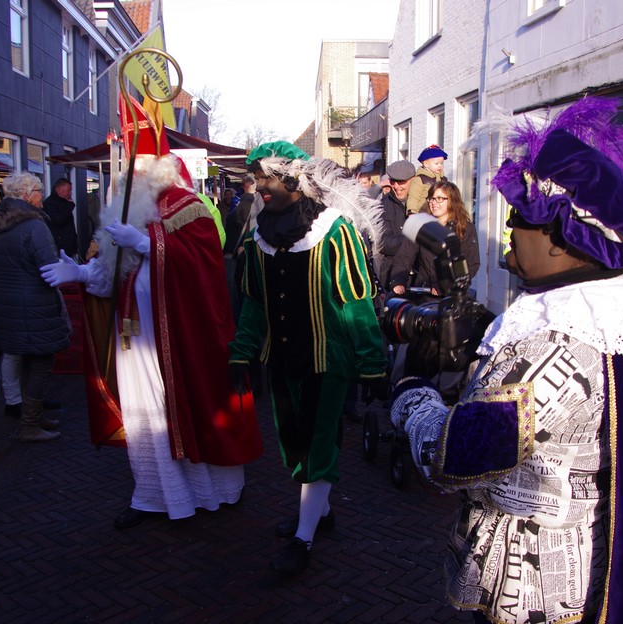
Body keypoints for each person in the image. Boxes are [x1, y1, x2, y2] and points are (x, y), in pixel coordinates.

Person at [391, 97, 623, 624]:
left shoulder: (560, 338)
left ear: (565, 240)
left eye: (520, 220)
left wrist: (412, 398)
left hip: (536, 589)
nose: (510, 231)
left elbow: (457, 456)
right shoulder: (605, 315)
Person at [40, 96, 262, 527]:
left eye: (138, 168)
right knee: (144, 415)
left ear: (158, 169)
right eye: (129, 169)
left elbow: (203, 266)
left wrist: (145, 242)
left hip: (178, 335)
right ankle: (152, 495)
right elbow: (113, 272)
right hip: (134, 336)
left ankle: (210, 492)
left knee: (187, 407)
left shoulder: (188, 207)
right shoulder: (128, 208)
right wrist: (82, 273)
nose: (130, 176)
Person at [228, 141, 387, 578]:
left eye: (267, 179)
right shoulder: (260, 236)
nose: (261, 188)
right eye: (257, 180)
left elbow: (355, 302)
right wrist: (242, 354)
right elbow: (255, 304)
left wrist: (372, 363)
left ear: (293, 179)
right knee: (295, 444)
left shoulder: (334, 231)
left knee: (318, 446)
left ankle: (303, 538)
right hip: (281, 359)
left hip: (326, 359)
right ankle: (321, 512)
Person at [0, 172, 70, 442]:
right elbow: (49, 267)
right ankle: (30, 423)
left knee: (25, 360)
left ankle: (32, 415)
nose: (41, 197)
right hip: (34, 303)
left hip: (7, 304)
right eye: (37, 191)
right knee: (41, 362)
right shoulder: (34, 226)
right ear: (26, 196)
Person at [389, 180, 480, 296]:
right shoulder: (421, 226)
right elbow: (404, 256)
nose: (434, 203)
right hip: (424, 292)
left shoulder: (466, 229)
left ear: (452, 200)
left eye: (440, 198)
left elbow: (472, 263)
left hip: (452, 296)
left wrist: (446, 285)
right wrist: (398, 281)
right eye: (432, 198)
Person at [370, 160, 416, 291]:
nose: (396, 186)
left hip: (420, 278)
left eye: (401, 182)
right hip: (391, 276)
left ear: (413, 180)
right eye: (392, 181)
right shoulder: (382, 206)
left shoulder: (427, 203)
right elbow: (382, 242)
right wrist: (411, 240)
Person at [406, 144, 448, 215]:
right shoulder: (420, 179)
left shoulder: (443, 179)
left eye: (441, 163)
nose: (440, 166)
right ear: (426, 164)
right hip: (423, 212)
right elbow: (413, 196)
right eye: (436, 163)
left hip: (439, 212)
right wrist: (412, 211)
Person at [43, 178, 78, 258]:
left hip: (68, 247)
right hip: (59, 248)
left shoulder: (64, 202)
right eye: (68, 190)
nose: (70, 193)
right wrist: (69, 206)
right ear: (59, 190)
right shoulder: (49, 204)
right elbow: (58, 220)